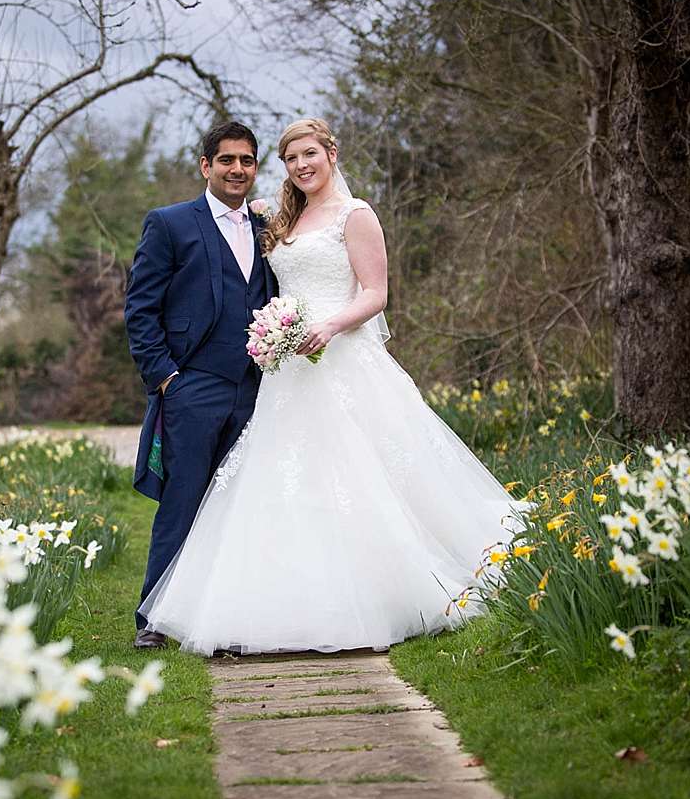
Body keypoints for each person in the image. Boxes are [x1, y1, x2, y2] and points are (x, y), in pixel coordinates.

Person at [137, 118, 522, 656]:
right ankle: (166, 614)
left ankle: (380, 591)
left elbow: (376, 292)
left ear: (331, 153)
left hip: (338, 361)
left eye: (309, 154)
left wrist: (331, 325)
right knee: (245, 489)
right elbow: (156, 304)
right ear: (209, 166)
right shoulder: (273, 220)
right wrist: (168, 377)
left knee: (359, 479)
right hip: (272, 375)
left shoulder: (354, 214)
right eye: (290, 158)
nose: (300, 165)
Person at [123, 121, 275, 650]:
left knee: (237, 505)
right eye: (227, 160)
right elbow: (140, 308)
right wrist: (164, 376)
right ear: (205, 165)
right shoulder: (169, 224)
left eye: (247, 161)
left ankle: (224, 616)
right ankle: (154, 619)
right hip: (192, 384)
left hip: (257, 389)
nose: (238, 170)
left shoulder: (267, 228)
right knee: (183, 501)